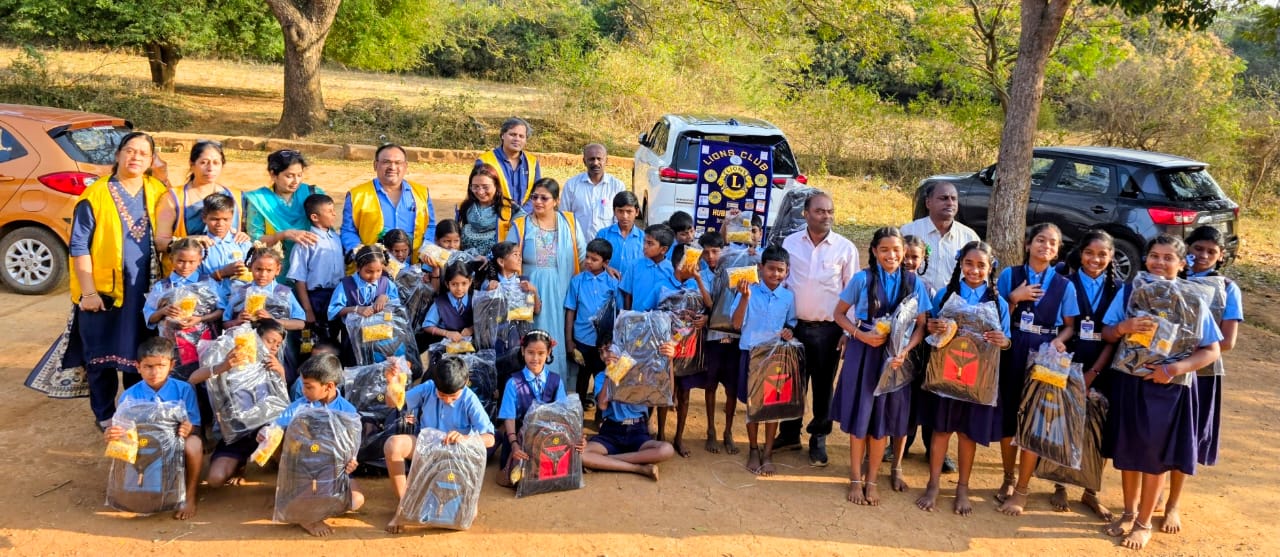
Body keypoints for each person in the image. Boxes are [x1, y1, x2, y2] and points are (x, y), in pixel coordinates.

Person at [1099, 235, 1221, 550]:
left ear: (1183, 264)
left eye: (1168, 258)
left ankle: (1143, 523)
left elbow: (1211, 351)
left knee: (1155, 455)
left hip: (1167, 387)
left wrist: (1173, 369)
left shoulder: (1193, 300)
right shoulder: (1130, 291)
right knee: (1128, 449)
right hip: (1130, 380)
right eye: (1154, 256)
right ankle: (1128, 512)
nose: (1159, 263)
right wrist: (1124, 328)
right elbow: (1108, 333)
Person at [67, 131, 168, 428]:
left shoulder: (157, 191)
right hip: (103, 292)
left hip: (145, 292)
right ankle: (105, 416)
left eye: (143, 153)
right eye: (130, 150)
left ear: (151, 160)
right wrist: (88, 293)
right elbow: (78, 245)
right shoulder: (95, 195)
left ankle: (136, 410)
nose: (135, 157)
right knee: (100, 356)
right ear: (118, 154)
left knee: (140, 353)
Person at [831, 227, 931, 505]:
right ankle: (854, 478)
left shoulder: (913, 283)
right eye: (885, 249)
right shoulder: (862, 279)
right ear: (874, 251)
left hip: (896, 357)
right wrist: (860, 335)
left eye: (897, 250)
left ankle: (872, 480)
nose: (892, 255)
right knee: (861, 415)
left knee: (882, 419)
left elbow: (921, 326)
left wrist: (905, 351)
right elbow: (838, 314)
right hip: (864, 352)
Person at [915, 241, 1011, 516]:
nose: (974, 270)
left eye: (981, 265)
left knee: (968, 435)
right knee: (941, 430)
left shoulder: (998, 302)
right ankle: (933, 484)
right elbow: (931, 328)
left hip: (977, 381)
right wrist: (934, 326)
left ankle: (963, 488)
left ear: (990, 268)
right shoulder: (946, 294)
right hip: (947, 377)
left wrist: (1002, 340)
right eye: (969, 264)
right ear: (960, 265)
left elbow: (1007, 340)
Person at [1159, 225, 1243, 535]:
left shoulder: (1227, 288)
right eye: (1197, 249)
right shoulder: (1171, 277)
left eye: (1211, 251)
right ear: (1187, 250)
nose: (1203, 255)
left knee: (1187, 439)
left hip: (1202, 375)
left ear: (1221, 257)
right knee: (1161, 433)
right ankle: (1155, 493)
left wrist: (1188, 357)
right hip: (1164, 370)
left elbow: (1228, 342)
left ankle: (1173, 504)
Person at [995, 223, 1079, 514]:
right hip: (1012, 345)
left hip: (1043, 352)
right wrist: (1013, 298)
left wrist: (1058, 341)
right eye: (1040, 240)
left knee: (1034, 418)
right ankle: (1008, 476)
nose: (1046, 246)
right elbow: (996, 313)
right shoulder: (1010, 275)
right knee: (1009, 414)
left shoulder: (1064, 285)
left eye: (1053, 243)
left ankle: (1022, 488)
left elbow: (1070, 327)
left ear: (1058, 251)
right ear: (1028, 244)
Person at [776, 192, 859, 467]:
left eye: (830, 211)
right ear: (806, 214)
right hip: (795, 328)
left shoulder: (845, 248)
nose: (826, 216)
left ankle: (818, 438)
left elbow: (852, 292)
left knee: (823, 386)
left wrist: (848, 332)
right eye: (820, 211)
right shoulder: (790, 243)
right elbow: (783, 282)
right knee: (792, 382)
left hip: (829, 330)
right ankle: (789, 433)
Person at [1052, 229, 1125, 520]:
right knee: (1063, 422)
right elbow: (1060, 327)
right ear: (1080, 253)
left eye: (1103, 254)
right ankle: (1059, 482)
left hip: (1103, 366)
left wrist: (1094, 372)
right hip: (1068, 362)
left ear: (1111, 257)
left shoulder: (1119, 289)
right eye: (1089, 253)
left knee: (1098, 429)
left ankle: (1090, 490)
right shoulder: (1065, 283)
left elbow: (1115, 337)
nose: (1095, 259)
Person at [384, 356, 495, 534]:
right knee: (393, 445)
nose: (447, 401)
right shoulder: (428, 388)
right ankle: (405, 507)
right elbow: (394, 404)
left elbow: (490, 438)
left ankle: (426, 497)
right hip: (426, 451)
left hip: (456, 459)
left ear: (465, 383)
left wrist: (465, 439)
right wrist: (392, 384)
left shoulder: (469, 398)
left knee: (468, 516)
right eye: (442, 395)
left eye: (453, 397)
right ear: (435, 384)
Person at [105, 336, 204, 520]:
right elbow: (121, 428)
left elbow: (196, 426)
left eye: (161, 365)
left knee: (194, 445)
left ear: (171, 365)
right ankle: (135, 488)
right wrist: (111, 434)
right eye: (148, 367)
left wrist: (188, 428)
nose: (155, 372)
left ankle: (189, 496)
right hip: (144, 444)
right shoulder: (129, 395)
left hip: (176, 441)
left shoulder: (184, 389)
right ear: (138, 366)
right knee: (123, 445)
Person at [270, 353, 365, 537]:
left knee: (356, 500)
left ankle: (303, 505)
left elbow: (353, 447)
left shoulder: (347, 411)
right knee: (278, 438)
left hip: (333, 471)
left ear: (329, 386)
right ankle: (308, 517)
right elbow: (277, 425)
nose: (303, 391)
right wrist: (267, 433)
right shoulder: (301, 406)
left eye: (308, 387)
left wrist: (352, 461)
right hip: (303, 469)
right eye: (302, 386)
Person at [186, 320, 289, 488]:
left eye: (278, 344)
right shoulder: (231, 360)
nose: (274, 347)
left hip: (264, 430)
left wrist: (281, 372)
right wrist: (223, 367)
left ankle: (276, 460)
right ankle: (240, 464)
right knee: (215, 479)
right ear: (255, 337)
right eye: (270, 341)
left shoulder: (272, 365)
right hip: (235, 434)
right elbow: (193, 379)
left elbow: (283, 403)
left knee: (280, 451)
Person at [505, 178, 586, 381]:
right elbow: (507, 257)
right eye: (535, 197)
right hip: (530, 293)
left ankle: (558, 385)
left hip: (564, 291)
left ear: (556, 201)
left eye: (544, 198)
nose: (538, 202)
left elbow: (583, 256)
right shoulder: (521, 225)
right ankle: (530, 386)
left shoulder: (569, 222)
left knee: (561, 334)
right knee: (533, 339)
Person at [730, 245, 797, 476]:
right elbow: (736, 324)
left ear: (787, 271)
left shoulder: (788, 297)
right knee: (752, 405)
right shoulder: (748, 290)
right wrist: (745, 298)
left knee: (773, 408)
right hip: (751, 355)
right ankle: (753, 449)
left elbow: (791, 323)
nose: (775, 274)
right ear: (760, 268)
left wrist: (789, 331)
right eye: (771, 269)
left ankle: (768, 452)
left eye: (781, 270)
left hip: (776, 357)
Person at [586, 343, 680, 480]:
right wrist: (611, 374)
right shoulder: (602, 376)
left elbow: (667, 394)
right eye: (601, 352)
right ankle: (638, 468)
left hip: (637, 430)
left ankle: (608, 460)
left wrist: (669, 362)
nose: (605, 355)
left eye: (609, 349)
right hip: (612, 430)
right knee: (579, 454)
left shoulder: (639, 372)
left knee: (667, 450)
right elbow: (602, 405)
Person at [341, 144, 436, 262]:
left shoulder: (421, 193)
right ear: (375, 165)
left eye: (398, 163)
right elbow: (348, 230)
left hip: (414, 267)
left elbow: (430, 226)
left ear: (405, 166)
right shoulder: (357, 195)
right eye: (386, 162)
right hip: (374, 269)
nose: (392, 167)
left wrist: (427, 248)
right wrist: (360, 253)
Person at [496, 330, 567, 487]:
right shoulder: (513, 382)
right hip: (519, 440)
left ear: (548, 353)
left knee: (558, 472)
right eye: (530, 353)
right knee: (521, 478)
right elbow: (509, 417)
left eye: (541, 353)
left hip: (545, 438)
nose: (535, 358)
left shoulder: (556, 381)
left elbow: (563, 415)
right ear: (523, 351)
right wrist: (514, 444)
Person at [691, 232, 740, 455]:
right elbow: (709, 304)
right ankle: (710, 430)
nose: (711, 256)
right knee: (710, 386)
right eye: (707, 252)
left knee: (731, 389)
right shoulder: (701, 273)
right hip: (712, 339)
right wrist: (699, 279)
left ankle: (728, 431)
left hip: (734, 339)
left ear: (724, 250)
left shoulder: (735, 269)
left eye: (715, 251)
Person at [154, 140, 248, 254]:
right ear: (192, 164)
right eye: (204, 162)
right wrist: (187, 242)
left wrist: (243, 236)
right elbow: (159, 243)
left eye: (216, 163)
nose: (210, 168)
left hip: (229, 267)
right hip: (185, 269)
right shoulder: (172, 199)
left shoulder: (236, 197)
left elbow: (245, 235)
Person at [243, 149, 325, 276]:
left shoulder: (313, 193)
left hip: (312, 265)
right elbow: (255, 240)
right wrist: (282, 235)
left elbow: (326, 228)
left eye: (299, 175)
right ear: (273, 175)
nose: (296, 181)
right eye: (289, 176)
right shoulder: (259, 201)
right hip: (274, 270)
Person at [564, 239, 620, 407]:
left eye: (594, 259)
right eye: (587, 257)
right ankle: (578, 412)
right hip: (582, 340)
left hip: (604, 343)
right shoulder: (577, 281)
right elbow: (570, 311)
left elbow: (619, 312)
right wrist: (569, 340)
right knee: (582, 377)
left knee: (602, 377)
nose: (588, 261)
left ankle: (600, 414)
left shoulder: (613, 282)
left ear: (606, 262)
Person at [900, 181, 980, 296]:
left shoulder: (969, 237)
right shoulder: (908, 231)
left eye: (954, 199)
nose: (950, 203)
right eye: (944, 198)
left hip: (954, 305)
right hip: (914, 302)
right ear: (928, 203)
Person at [288, 193, 345, 343]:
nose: (334, 214)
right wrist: (308, 310)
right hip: (316, 299)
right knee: (315, 341)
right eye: (330, 211)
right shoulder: (305, 242)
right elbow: (299, 279)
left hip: (336, 295)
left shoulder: (337, 238)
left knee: (334, 337)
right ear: (315, 217)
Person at [620, 224, 701, 313]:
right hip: (638, 319)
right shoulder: (634, 265)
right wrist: (627, 316)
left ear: (663, 249)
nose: (645, 246)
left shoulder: (672, 270)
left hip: (664, 321)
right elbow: (628, 294)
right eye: (644, 241)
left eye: (650, 243)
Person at [224, 249, 307, 332]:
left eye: (269, 270)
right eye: (259, 269)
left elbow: (300, 324)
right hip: (247, 342)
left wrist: (273, 321)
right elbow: (225, 323)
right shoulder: (241, 292)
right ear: (250, 267)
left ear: (277, 270)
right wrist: (237, 321)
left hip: (273, 343)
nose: (263, 275)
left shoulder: (284, 293)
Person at [560, 144, 626, 239]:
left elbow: (620, 219)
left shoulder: (617, 186)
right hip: (578, 246)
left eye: (599, 159)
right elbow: (564, 218)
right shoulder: (571, 185)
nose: (595, 163)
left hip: (607, 246)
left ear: (606, 161)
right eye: (591, 159)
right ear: (584, 161)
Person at [476, 117, 541, 213]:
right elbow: (480, 193)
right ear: (502, 135)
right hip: (493, 219)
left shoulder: (532, 163)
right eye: (512, 134)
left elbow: (538, 192)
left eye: (521, 136)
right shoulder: (485, 161)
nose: (517, 139)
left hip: (525, 220)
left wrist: (522, 213)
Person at [457, 163, 522, 256]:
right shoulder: (466, 208)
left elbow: (522, 234)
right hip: (468, 264)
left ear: (496, 185)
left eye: (485, 187)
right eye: (475, 187)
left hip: (499, 265)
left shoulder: (510, 209)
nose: (480, 192)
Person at [197, 193, 253, 290]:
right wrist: (222, 273)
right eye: (214, 219)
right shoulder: (198, 246)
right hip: (210, 300)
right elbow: (192, 283)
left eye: (226, 219)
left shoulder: (243, 242)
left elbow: (257, 274)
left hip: (241, 300)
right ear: (204, 218)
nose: (220, 224)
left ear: (232, 218)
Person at [420, 261, 475, 345]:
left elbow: (484, 322)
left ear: (470, 282)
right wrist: (447, 333)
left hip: (470, 346)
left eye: (464, 284)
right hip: (445, 346)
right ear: (447, 284)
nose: (459, 289)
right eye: (454, 284)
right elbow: (427, 326)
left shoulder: (475, 300)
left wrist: (471, 329)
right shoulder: (440, 303)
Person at [595, 191, 644, 278]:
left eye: (629, 212)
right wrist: (606, 268)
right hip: (606, 286)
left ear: (636, 212)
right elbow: (593, 259)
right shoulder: (603, 235)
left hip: (632, 288)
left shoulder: (644, 239)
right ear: (614, 211)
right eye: (620, 211)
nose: (624, 216)